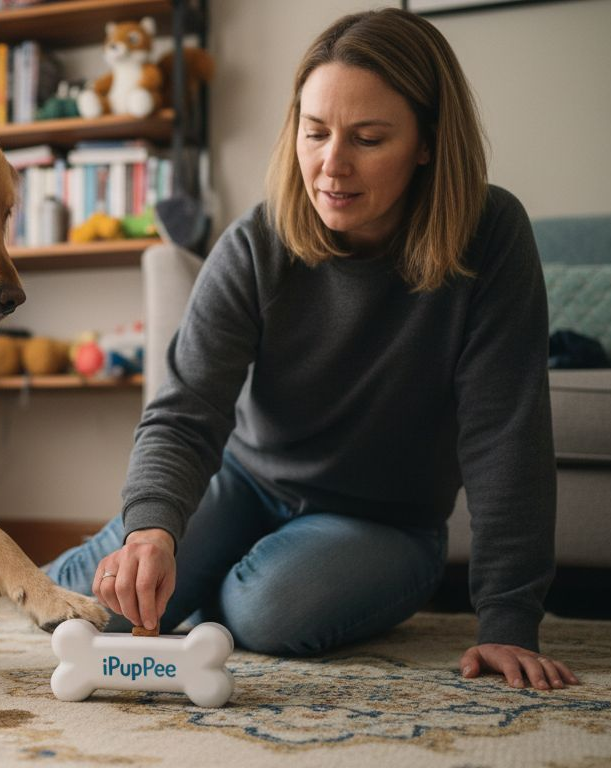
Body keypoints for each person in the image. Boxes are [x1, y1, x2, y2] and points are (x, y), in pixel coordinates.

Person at [45, 7, 580, 691]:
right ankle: (180, 567)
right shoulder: (255, 243)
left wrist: (508, 620)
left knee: (265, 609)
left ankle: (214, 584)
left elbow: (507, 435)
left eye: (368, 138)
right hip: (245, 485)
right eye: (315, 131)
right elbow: (185, 410)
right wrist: (151, 531)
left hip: (383, 523)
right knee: (81, 609)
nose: (332, 164)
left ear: (426, 142)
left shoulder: (493, 235)